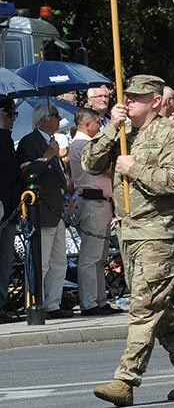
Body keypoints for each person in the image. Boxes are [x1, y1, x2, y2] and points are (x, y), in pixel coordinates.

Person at [84, 75, 174, 406]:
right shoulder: (123, 134)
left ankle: (125, 380)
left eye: (137, 98)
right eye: (127, 98)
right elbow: (90, 162)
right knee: (158, 307)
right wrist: (112, 128)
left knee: (144, 306)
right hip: (129, 233)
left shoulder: (173, 134)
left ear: (155, 101)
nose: (129, 103)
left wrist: (134, 167)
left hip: (158, 232)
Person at [17, 102, 71, 318]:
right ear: (43, 120)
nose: (59, 120)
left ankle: (53, 303)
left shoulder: (50, 142)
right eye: (55, 115)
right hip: (40, 210)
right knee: (42, 262)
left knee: (59, 262)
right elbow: (27, 174)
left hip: (55, 210)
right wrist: (48, 155)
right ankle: (36, 304)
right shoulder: (30, 142)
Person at [69, 107, 120, 316]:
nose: (99, 127)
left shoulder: (85, 143)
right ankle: (89, 302)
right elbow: (104, 169)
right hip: (92, 201)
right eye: (97, 123)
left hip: (101, 201)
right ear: (87, 125)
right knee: (91, 255)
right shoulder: (82, 144)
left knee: (100, 255)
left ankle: (98, 299)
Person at [0, 99, 20, 323]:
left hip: (9, 209)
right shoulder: (2, 138)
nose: (12, 119)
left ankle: (1, 304)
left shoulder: (6, 140)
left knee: (5, 260)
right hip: (3, 206)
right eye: (8, 115)